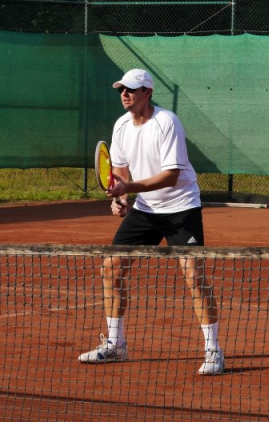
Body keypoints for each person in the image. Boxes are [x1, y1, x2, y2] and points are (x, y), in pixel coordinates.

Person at [78, 68, 224, 375]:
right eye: (121, 89)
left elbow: (170, 176)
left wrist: (128, 188)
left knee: (193, 275)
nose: (125, 94)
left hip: (181, 207)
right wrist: (121, 199)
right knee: (111, 266)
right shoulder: (121, 126)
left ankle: (214, 351)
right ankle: (115, 344)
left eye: (131, 89)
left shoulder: (167, 122)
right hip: (146, 209)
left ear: (148, 92)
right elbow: (120, 172)